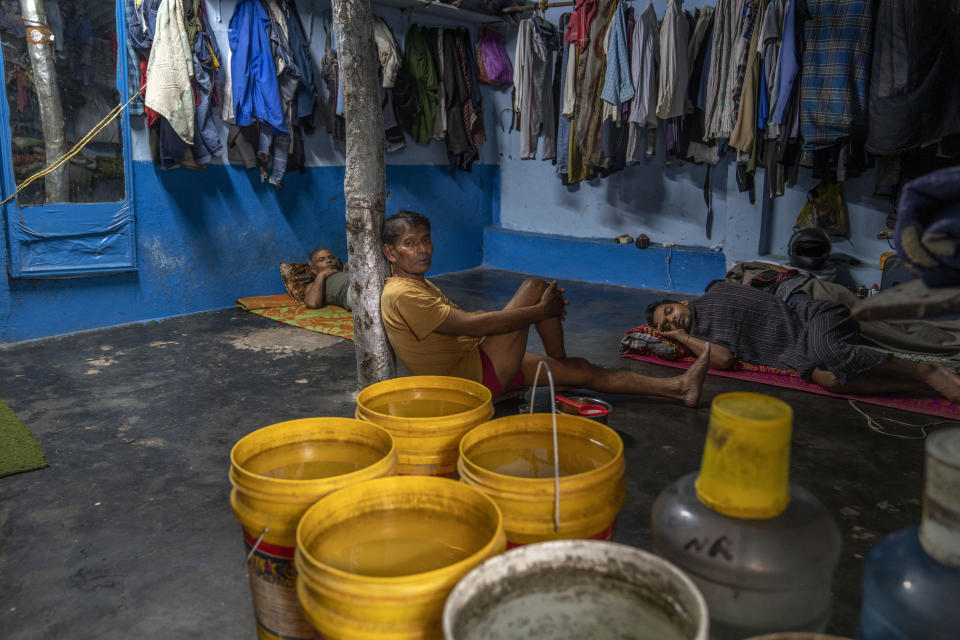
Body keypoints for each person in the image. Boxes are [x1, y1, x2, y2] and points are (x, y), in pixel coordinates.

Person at [379, 211, 710, 406]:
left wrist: (544, 311)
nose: (422, 249)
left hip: (478, 362)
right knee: (536, 290)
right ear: (390, 253)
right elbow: (472, 326)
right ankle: (556, 357)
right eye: (410, 244)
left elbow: (468, 327)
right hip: (471, 381)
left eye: (425, 240)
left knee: (582, 370)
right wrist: (542, 311)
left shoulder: (417, 283)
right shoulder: (402, 294)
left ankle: (678, 388)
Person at [647, 280, 960, 404]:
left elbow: (728, 352)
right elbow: (724, 359)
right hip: (799, 356)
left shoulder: (718, 294)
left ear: (682, 301)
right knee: (832, 380)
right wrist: (684, 339)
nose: (672, 320)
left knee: (828, 350)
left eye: (670, 311)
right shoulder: (699, 340)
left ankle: (926, 371)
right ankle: (920, 387)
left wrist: (688, 337)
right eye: (667, 325)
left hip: (815, 319)